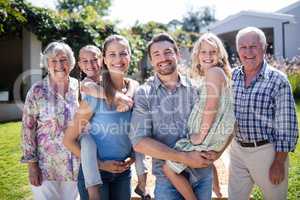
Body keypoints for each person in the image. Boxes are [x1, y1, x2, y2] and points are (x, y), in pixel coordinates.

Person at [130, 32, 221, 200]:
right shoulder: (144, 94)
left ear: (177, 54)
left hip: (202, 175)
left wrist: (216, 153)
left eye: (167, 52)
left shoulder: (198, 89)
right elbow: (139, 142)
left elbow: (214, 127)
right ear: (151, 60)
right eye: (156, 54)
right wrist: (183, 157)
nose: (163, 58)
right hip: (167, 181)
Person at [63, 35, 149, 200]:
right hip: (95, 174)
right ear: (104, 59)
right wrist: (101, 164)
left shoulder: (136, 91)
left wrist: (132, 155)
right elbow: (68, 140)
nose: (118, 59)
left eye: (123, 53)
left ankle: (143, 186)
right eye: (112, 54)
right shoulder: (94, 94)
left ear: (130, 57)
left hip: (123, 174)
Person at [162, 33, 235, 200]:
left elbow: (211, 107)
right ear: (197, 54)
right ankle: (217, 191)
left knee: (168, 168)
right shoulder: (215, 73)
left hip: (207, 133)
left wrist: (199, 135)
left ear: (220, 54)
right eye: (204, 52)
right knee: (205, 159)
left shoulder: (214, 73)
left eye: (213, 52)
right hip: (213, 132)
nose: (208, 56)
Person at [229, 27, 299, 200]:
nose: (248, 52)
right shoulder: (232, 76)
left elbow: (287, 125)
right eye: (243, 47)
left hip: (266, 152)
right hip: (237, 150)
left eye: (253, 46)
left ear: (264, 48)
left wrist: (279, 162)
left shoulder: (278, 80)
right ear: (238, 50)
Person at [21, 41, 80, 200]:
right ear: (47, 64)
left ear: (71, 62)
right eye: (53, 61)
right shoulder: (37, 91)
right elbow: (28, 129)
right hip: (46, 167)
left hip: (74, 164)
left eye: (63, 59)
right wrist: (32, 166)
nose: (59, 65)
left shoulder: (79, 87)